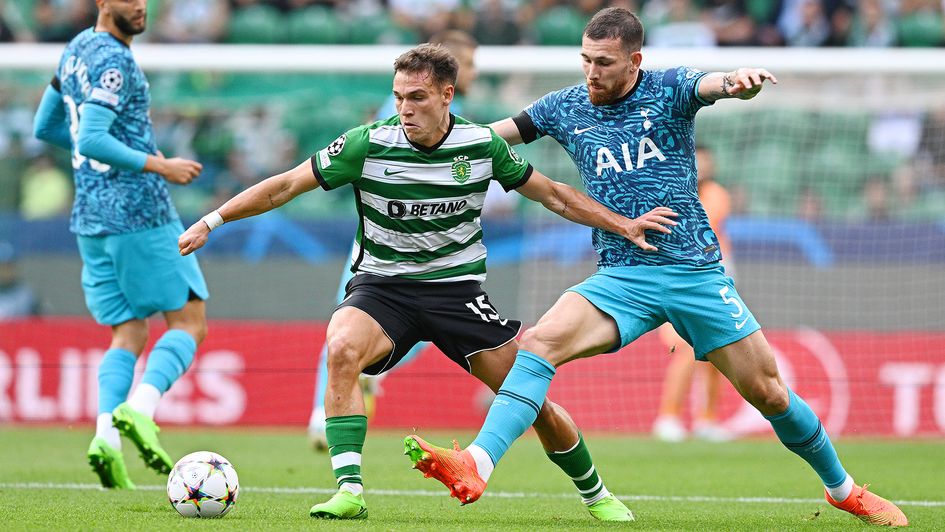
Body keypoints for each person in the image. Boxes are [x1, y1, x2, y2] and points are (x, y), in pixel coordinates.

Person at [404, 7, 908, 527]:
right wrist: (433, 136)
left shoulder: (667, 89)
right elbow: (490, 137)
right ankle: (476, 464)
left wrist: (737, 82)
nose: (591, 72)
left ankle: (844, 490)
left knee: (769, 392)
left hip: (694, 273)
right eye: (585, 60)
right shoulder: (565, 105)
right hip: (621, 276)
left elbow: (711, 84)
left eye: (603, 62)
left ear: (634, 60)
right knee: (538, 344)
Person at [179, 43, 676, 521]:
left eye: (416, 97)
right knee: (342, 347)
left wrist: (623, 224)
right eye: (398, 96)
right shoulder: (367, 143)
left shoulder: (481, 145)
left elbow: (555, 196)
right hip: (383, 288)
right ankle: (349, 491)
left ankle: (597, 493)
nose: (405, 108)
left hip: (457, 293)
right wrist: (213, 220)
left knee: (531, 401)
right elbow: (287, 185)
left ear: (446, 95)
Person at [33, 0, 208, 490]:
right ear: (101, 2)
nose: (139, 5)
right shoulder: (114, 60)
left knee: (128, 334)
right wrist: (161, 165)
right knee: (190, 322)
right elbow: (89, 137)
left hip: (89, 216)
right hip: (139, 212)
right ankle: (142, 407)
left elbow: (46, 126)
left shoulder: (75, 49)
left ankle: (105, 438)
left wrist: (99, 167)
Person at [307, 30, 480, 450]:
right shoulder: (410, 105)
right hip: (383, 243)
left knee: (419, 325)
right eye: (471, 62)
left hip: (426, 243)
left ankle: (367, 377)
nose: (476, 71)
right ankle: (320, 413)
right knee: (345, 327)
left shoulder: (452, 117)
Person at [651, 145, 735, 443]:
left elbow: (704, 234)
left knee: (716, 352)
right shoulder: (668, 191)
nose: (702, 167)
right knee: (685, 349)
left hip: (712, 278)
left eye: (706, 162)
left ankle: (707, 419)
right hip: (675, 280)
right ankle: (668, 416)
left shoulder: (716, 195)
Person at [0, 241, 42, 319]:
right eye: (2, 266)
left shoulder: (25, 294)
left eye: (9, 265)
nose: (5, 270)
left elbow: (39, 323)